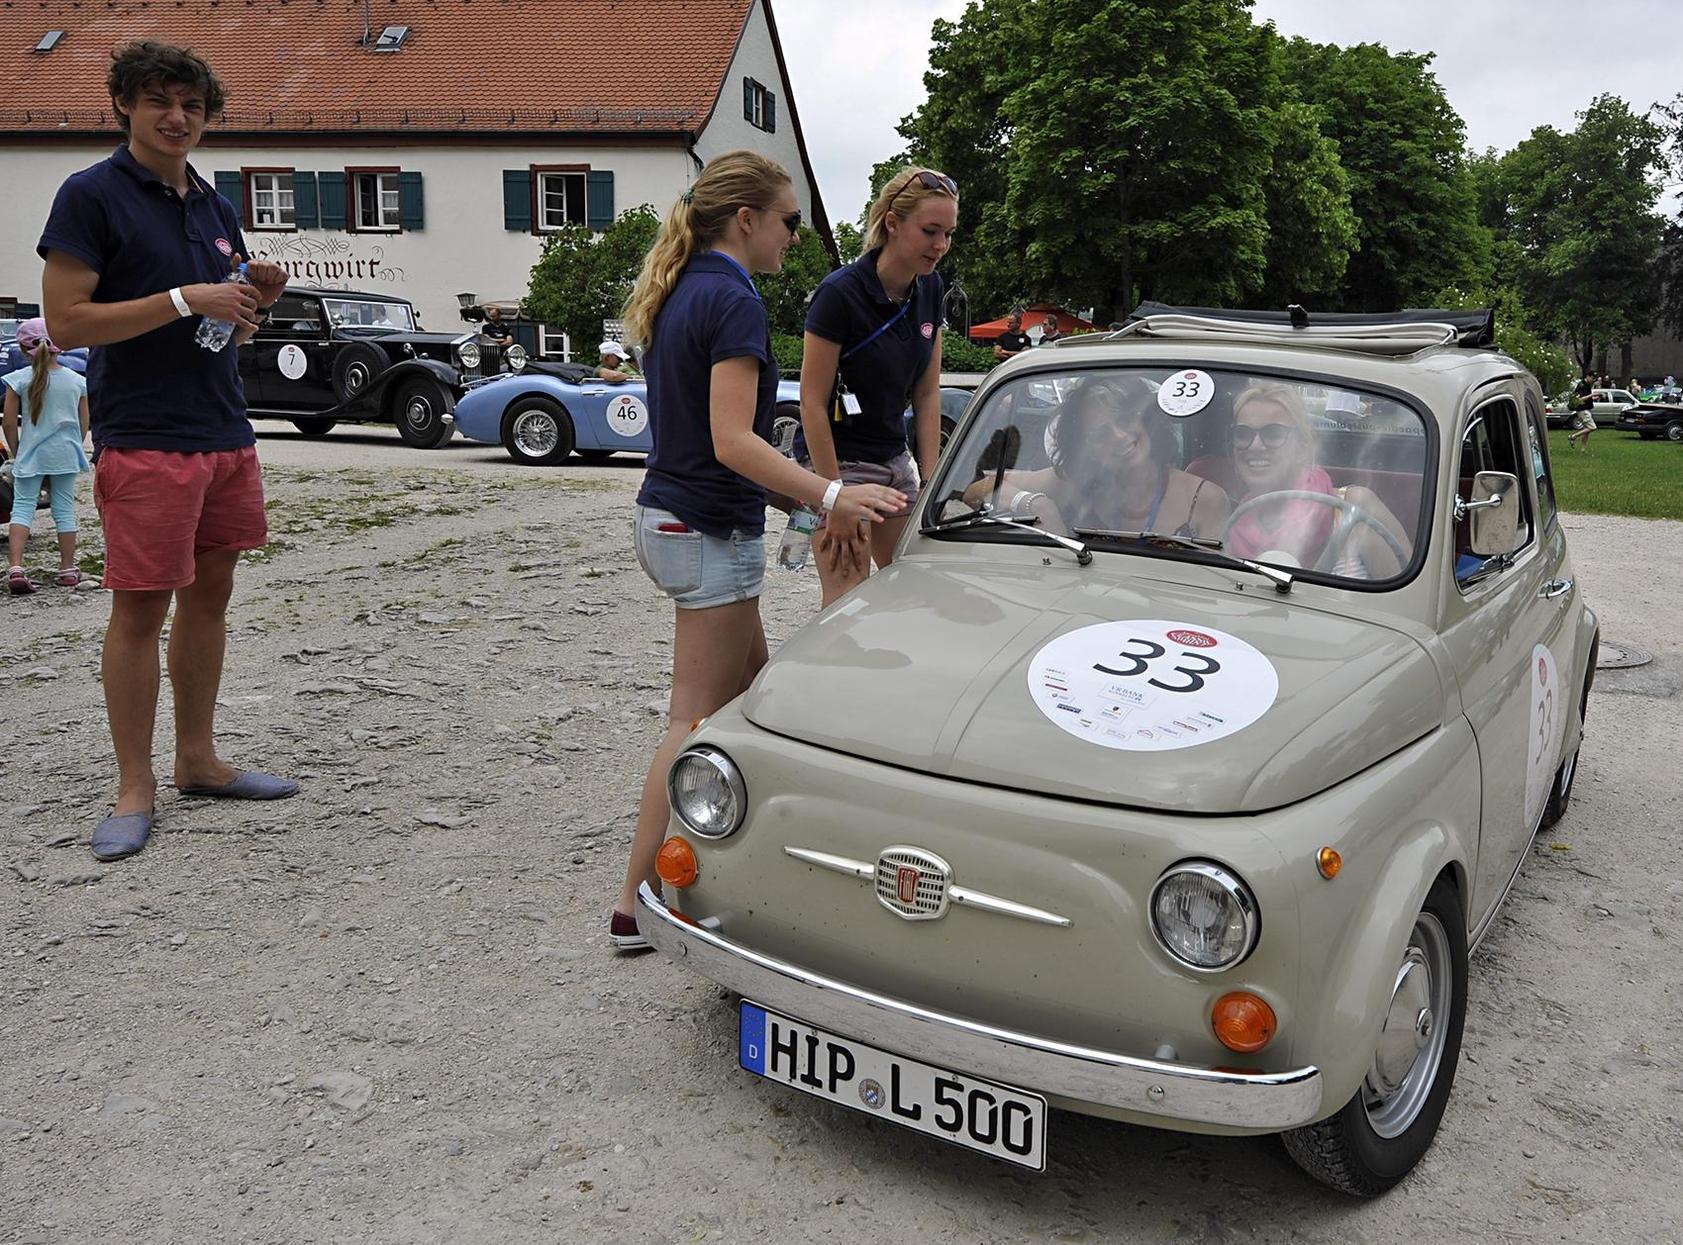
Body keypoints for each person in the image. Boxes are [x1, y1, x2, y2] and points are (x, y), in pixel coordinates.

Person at [610, 151, 905, 951]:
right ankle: (634, 905)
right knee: (693, 717)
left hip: (676, 518)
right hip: (705, 530)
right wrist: (831, 495)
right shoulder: (732, 298)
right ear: (746, 219)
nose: (794, 239)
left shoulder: (686, 288)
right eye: (788, 222)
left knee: (760, 699)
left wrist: (809, 499)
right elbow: (732, 440)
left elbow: (713, 443)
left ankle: (756, 864)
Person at [39, 40, 298, 863]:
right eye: (158, 101)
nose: (176, 117)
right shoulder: (90, 196)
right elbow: (70, 322)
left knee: (211, 596)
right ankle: (133, 785)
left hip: (222, 428)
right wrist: (187, 296)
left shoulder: (214, 205)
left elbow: (214, 326)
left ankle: (198, 760)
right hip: (145, 435)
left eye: (191, 104)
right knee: (140, 607)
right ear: (124, 105)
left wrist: (250, 296)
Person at [796, 165, 958, 607]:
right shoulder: (839, 294)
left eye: (948, 234)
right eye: (930, 231)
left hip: (893, 459)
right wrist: (833, 497)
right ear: (892, 223)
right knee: (848, 600)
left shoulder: (930, 288)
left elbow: (927, 394)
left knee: (912, 591)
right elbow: (811, 402)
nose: (941, 246)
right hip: (840, 460)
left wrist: (930, 481)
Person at [963, 375, 1228, 540]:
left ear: (1148, 422)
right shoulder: (1072, 480)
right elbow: (977, 489)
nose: (1120, 435)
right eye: (1100, 434)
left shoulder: (1205, 500)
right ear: (1083, 447)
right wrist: (1036, 503)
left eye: (1126, 419)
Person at [1224, 383, 1410, 577]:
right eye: (1242, 434)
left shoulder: (1353, 509)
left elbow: (1410, 599)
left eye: (1273, 433)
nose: (1255, 446)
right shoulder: (1230, 523)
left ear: (1303, 446)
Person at [4, 318, 90, 594]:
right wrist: (75, 443)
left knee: (23, 508)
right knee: (64, 510)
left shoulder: (17, 380)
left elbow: (8, 422)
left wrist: (18, 451)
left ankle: (16, 567)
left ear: (22, 347)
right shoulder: (77, 381)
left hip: (31, 453)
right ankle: (66, 569)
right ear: (59, 346)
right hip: (65, 453)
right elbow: (84, 421)